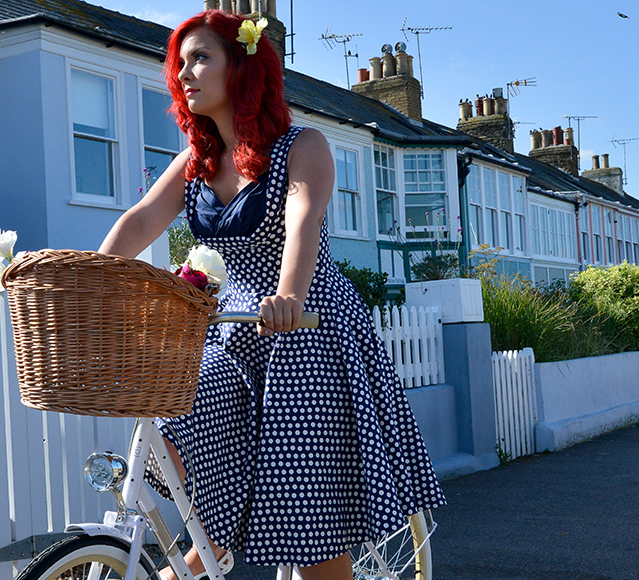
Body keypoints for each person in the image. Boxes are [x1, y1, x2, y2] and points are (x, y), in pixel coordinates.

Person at [95, 10, 445, 579]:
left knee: (307, 517)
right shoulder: (196, 164)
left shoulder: (302, 146)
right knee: (177, 416)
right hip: (235, 326)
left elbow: (304, 222)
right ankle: (213, 543)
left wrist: (287, 294)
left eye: (201, 57)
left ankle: (274, 550)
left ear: (243, 67)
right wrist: (93, 275)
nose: (185, 73)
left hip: (305, 322)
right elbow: (139, 221)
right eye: (179, 63)